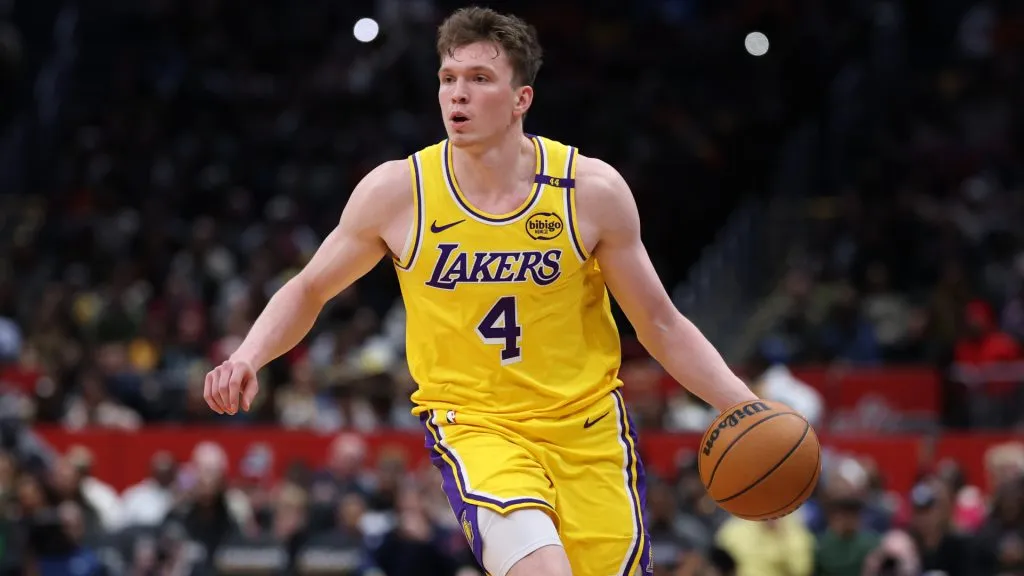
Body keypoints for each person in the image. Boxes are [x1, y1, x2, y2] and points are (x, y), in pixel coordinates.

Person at [204, 7, 757, 576]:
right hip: (477, 427)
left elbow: (660, 323)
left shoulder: (588, 190)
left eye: (479, 79)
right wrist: (249, 354)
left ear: (522, 99)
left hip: (588, 429)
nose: (457, 95)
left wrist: (742, 404)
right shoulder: (401, 191)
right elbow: (309, 288)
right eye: (448, 79)